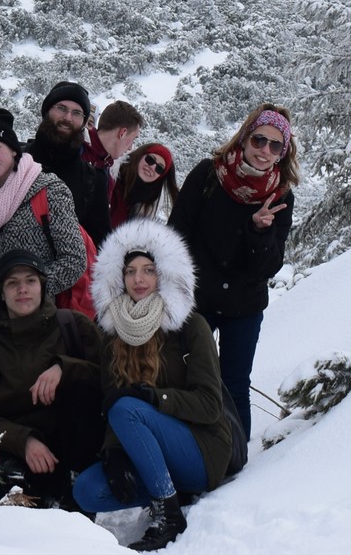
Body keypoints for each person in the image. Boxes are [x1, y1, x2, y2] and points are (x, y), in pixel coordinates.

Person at [73, 217, 234, 550]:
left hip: (201, 448)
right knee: (86, 491)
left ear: (164, 275)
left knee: (129, 406)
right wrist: (114, 455)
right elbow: (109, 402)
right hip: (149, 451)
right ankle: (168, 489)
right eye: (130, 271)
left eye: (148, 270)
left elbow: (209, 404)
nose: (139, 279)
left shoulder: (191, 326)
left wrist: (155, 397)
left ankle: (169, 514)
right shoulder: (110, 333)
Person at [170, 104, 297, 442]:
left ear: (283, 153)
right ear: (244, 139)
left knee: (235, 384)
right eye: (259, 140)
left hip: (244, 305)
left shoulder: (280, 195)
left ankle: (235, 461)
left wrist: (260, 232)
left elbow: (269, 266)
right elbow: (177, 231)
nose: (265, 151)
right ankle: (187, 449)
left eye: (275, 145)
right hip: (197, 299)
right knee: (183, 377)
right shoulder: (208, 175)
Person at [0, 249, 108, 506]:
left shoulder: (74, 326)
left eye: (30, 280)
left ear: (42, 286)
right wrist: (23, 440)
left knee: (79, 390)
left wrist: (65, 368)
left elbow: (110, 379)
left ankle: (78, 493)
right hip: (25, 455)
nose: (22, 289)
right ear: (2, 294)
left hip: (78, 448)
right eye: (12, 283)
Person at [0, 109, 88, 300]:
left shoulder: (49, 189)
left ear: (13, 149)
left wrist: (25, 292)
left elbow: (74, 260)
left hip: (35, 316)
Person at [29, 81, 112, 245]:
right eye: (61, 108)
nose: (67, 118)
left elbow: (101, 246)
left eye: (76, 113)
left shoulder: (94, 180)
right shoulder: (17, 160)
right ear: (47, 111)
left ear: (83, 122)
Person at [110, 142, 179, 229]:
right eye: (150, 160)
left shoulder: (146, 211)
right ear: (140, 156)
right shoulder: (110, 179)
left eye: (159, 168)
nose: (152, 167)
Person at [86, 99, 146, 173]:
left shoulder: (104, 167)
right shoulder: (74, 152)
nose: (130, 148)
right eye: (133, 139)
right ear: (122, 133)